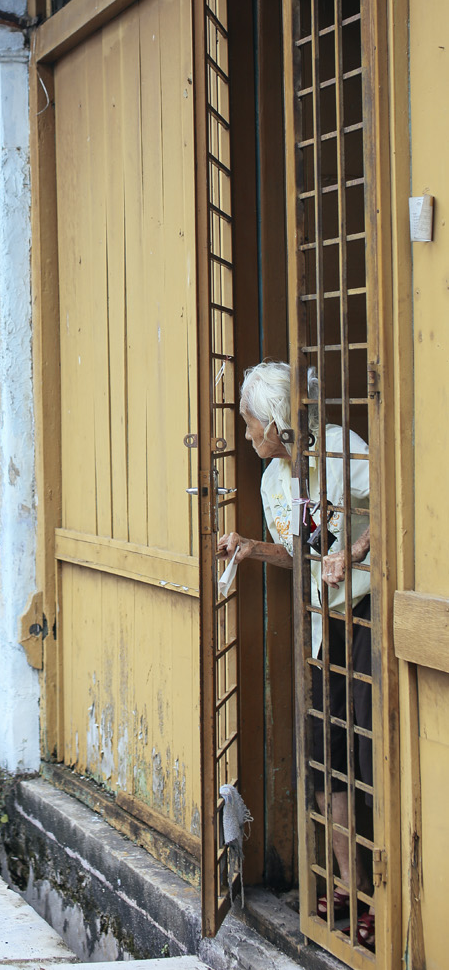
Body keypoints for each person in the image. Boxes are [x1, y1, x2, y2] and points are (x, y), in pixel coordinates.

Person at [216, 360, 374, 951]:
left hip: (364, 617)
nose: (247, 433)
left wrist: (354, 552)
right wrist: (252, 547)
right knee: (325, 761)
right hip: (321, 629)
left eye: (251, 423)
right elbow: (300, 552)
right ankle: (352, 887)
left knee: (366, 751)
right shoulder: (273, 481)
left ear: (279, 422)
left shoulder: (340, 449)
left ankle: (377, 896)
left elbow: (394, 504)